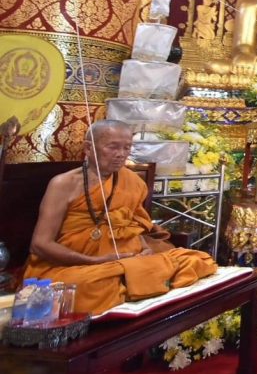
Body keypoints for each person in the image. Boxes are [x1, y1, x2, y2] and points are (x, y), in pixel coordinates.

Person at [24, 120, 218, 314]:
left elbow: (134, 226)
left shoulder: (132, 181)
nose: (121, 154)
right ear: (89, 148)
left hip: (126, 258)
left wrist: (144, 248)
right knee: (84, 287)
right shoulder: (63, 184)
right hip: (78, 264)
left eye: (127, 148)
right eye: (113, 147)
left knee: (197, 260)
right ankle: (136, 282)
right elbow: (40, 244)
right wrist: (92, 262)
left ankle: (129, 282)